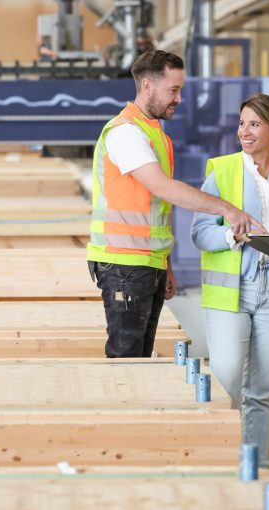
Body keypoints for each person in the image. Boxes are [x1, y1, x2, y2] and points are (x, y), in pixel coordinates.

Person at [87, 50, 260, 358]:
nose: (179, 98)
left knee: (140, 357)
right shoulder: (126, 133)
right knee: (126, 361)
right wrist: (228, 210)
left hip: (145, 263)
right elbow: (164, 189)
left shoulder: (154, 134)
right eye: (173, 90)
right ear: (147, 86)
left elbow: (153, 209)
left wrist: (164, 264)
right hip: (124, 264)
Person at [191, 94, 269, 464]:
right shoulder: (223, 171)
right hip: (234, 290)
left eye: (255, 124)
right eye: (242, 123)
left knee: (261, 389)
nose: (244, 131)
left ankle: (255, 463)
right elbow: (200, 232)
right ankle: (224, 459)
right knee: (227, 379)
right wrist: (233, 236)